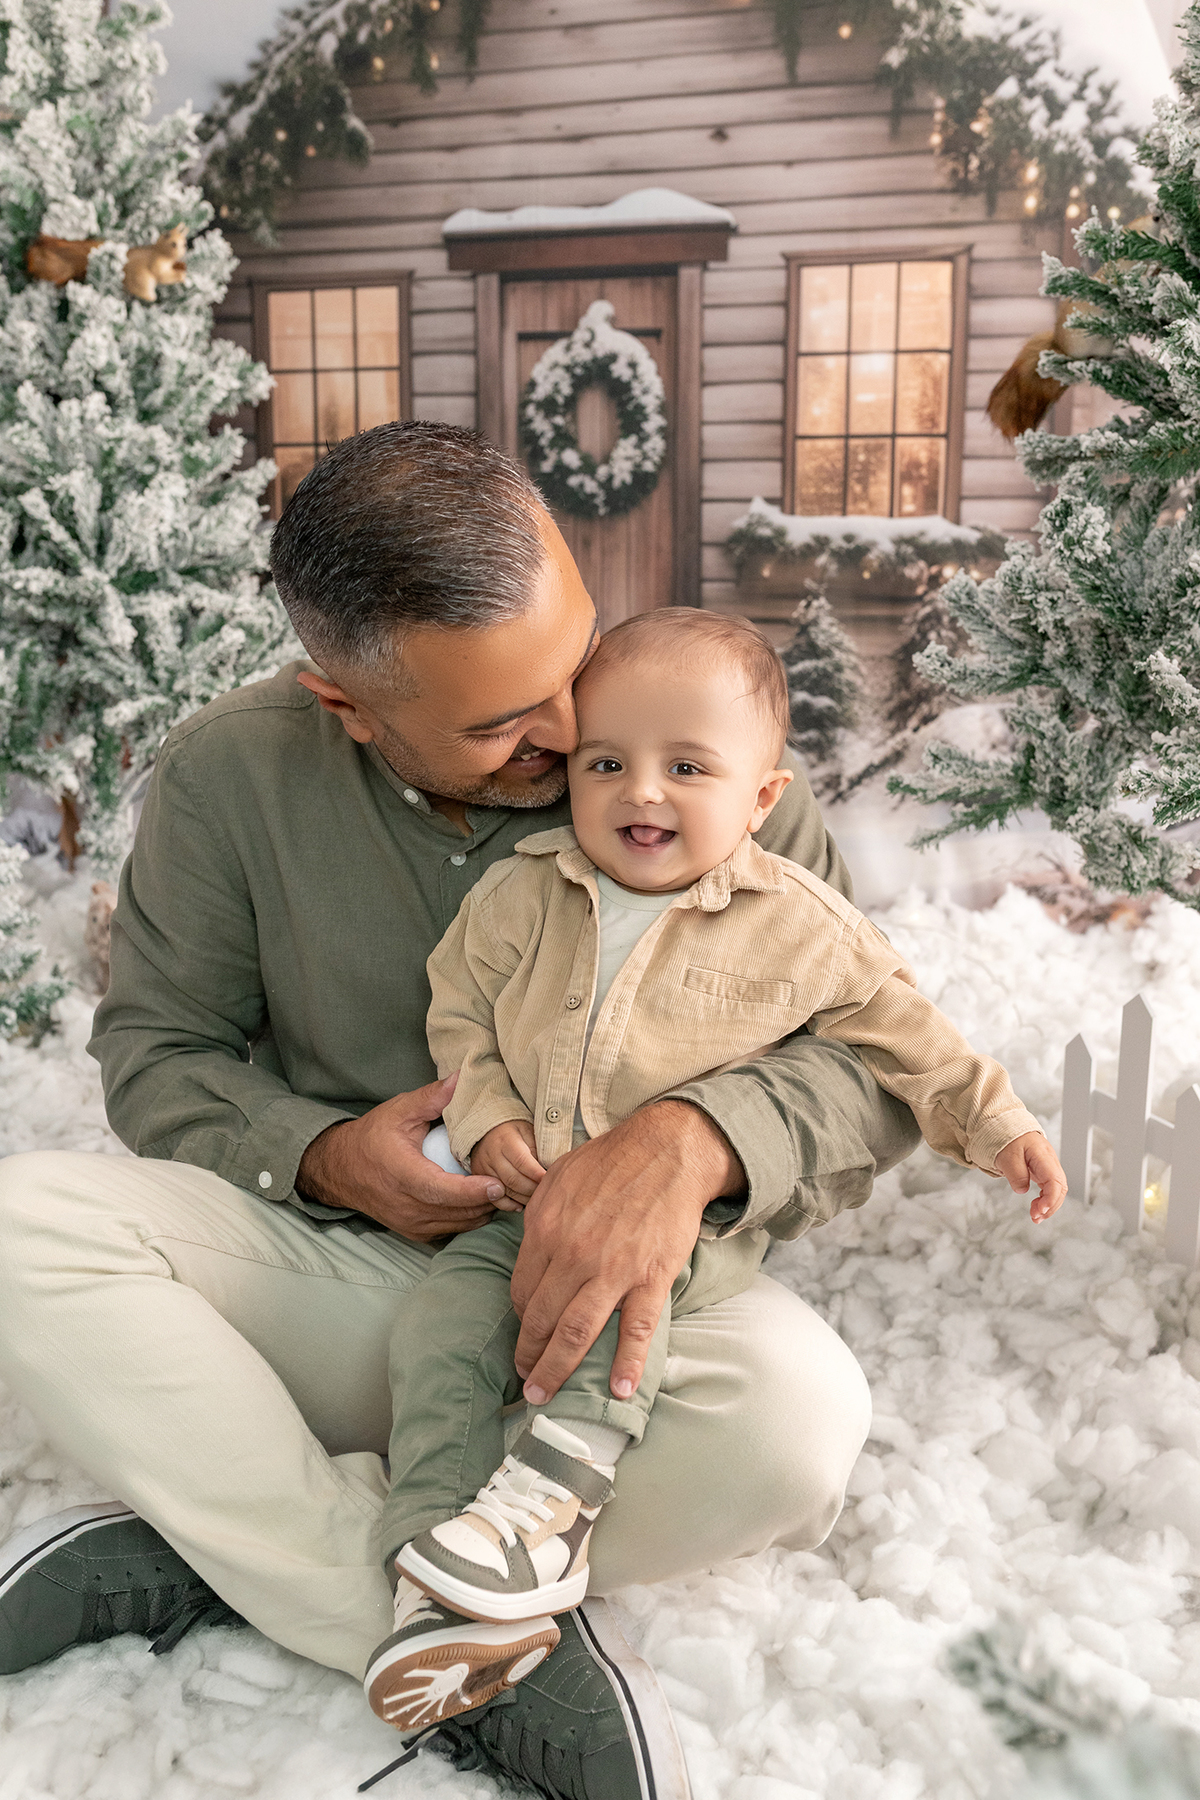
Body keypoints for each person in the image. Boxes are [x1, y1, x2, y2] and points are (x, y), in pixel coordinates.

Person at [0, 423, 923, 1800]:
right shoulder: (228, 776)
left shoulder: (684, 741)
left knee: (796, 1424)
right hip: (349, 1281)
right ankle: (432, 1617)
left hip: (606, 1323)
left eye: (571, 664)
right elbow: (159, 1057)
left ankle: (227, 1542)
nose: (574, 735)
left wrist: (692, 1144)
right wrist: (318, 1156)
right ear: (348, 705)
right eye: (500, 723)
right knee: (18, 1229)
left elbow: (876, 1066)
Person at [363, 608, 1067, 1737]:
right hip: (526, 1202)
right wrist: (488, 1113)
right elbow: (461, 1016)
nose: (643, 792)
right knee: (438, 1328)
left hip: (682, 1230)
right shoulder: (522, 897)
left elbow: (906, 1036)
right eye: (608, 763)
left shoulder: (795, 923)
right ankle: (436, 1549)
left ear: (762, 798)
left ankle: (548, 1507)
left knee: (602, 1334)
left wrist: (997, 1124)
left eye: (687, 767)